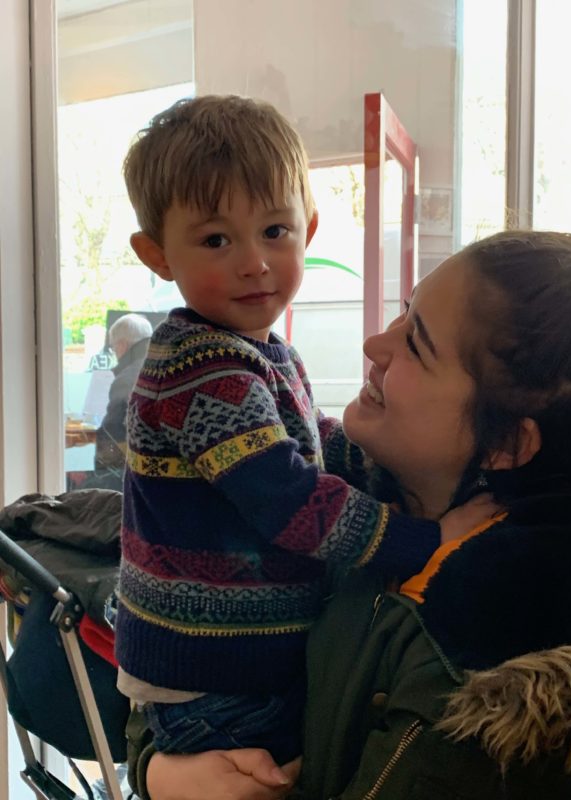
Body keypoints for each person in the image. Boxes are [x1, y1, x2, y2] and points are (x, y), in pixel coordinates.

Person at [128, 230, 571, 800]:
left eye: (417, 345)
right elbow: (169, 653)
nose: (375, 343)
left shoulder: (491, 648)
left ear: (505, 442)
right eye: (404, 313)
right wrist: (160, 772)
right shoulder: (342, 500)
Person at [115, 95, 476, 767]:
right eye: (217, 239)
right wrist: (426, 539)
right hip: (214, 673)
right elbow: (285, 496)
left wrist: (362, 452)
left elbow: (304, 438)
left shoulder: (256, 348)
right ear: (158, 255)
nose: (254, 261)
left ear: (308, 229)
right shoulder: (202, 369)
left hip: (236, 660)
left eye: (274, 230)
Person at [94, 313, 153, 472]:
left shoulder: (126, 378)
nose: (114, 352)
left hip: (137, 467)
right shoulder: (164, 366)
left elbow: (113, 429)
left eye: (113, 347)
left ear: (121, 345)